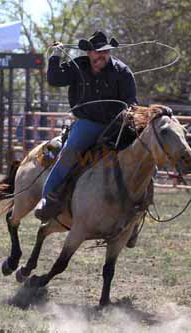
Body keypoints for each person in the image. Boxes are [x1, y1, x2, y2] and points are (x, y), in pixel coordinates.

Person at [35, 31, 138, 220]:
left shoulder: (122, 71)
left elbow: (131, 101)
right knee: (69, 153)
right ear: (89, 53)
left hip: (116, 126)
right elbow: (54, 79)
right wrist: (55, 56)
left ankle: (140, 205)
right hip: (87, 123)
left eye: (105, 51)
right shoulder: (77, 67)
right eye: (98, 51)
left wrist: (129, 115)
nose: (102, 55)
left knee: (143, 156)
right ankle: (47, 199)